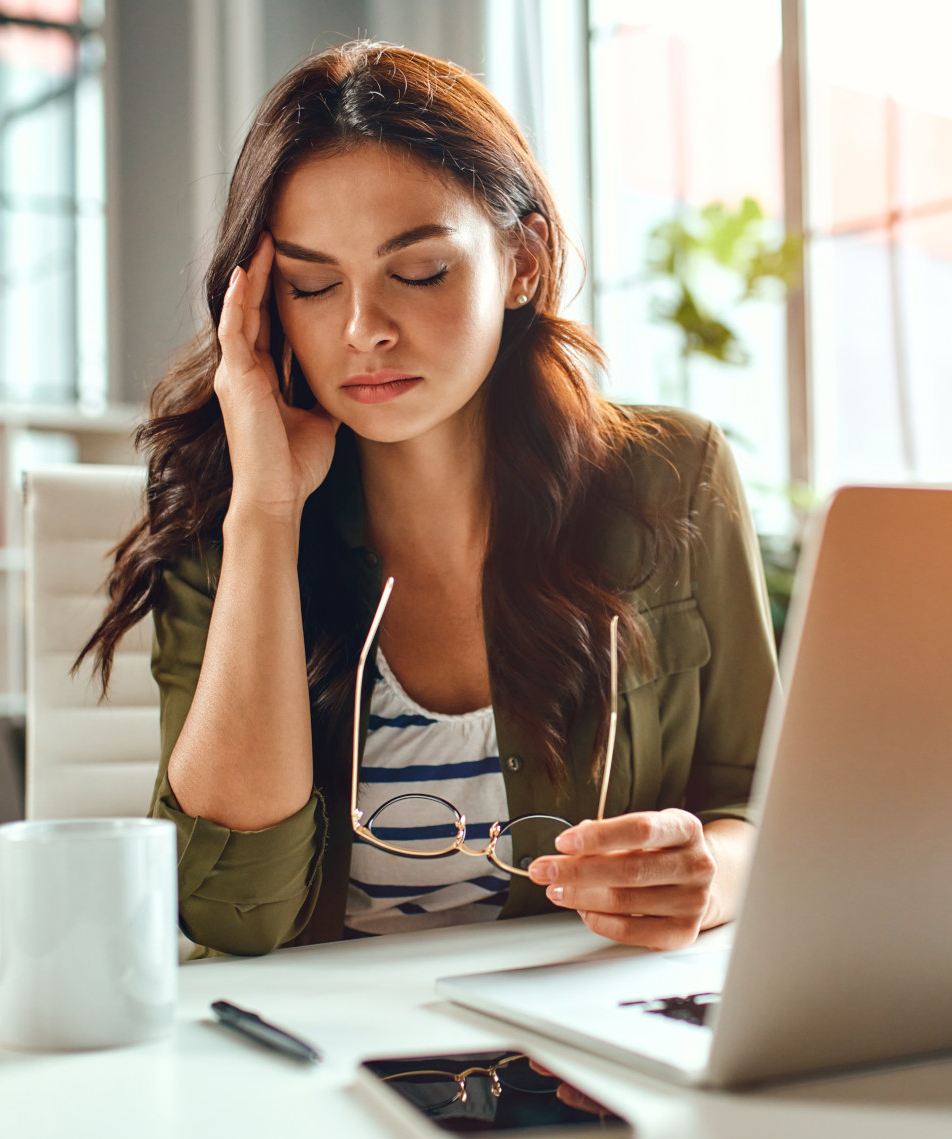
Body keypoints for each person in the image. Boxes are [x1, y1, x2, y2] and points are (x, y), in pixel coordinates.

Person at [82, 41, 776, 958]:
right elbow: (233, 911)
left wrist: (710, 875)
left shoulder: (671, 475)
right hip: (311, 1062)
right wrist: (264, 514)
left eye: (418, 272)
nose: (364, 329)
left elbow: (764, 806)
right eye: (313, 284)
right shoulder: (228, 517)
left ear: (522, 260)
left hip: (575, 1044)